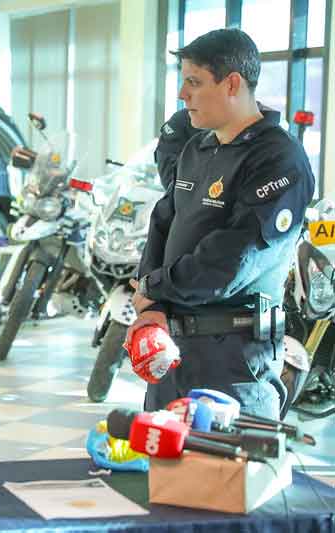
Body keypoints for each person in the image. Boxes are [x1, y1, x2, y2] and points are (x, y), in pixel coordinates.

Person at [125, 28, 315, 419]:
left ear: (232, 84)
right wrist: (152, 304)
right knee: (168, 474)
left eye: (194, 82)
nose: (183, 95)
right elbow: (165, 219)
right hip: (173, 350)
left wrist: (154, 287)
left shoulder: (279, 160)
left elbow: (230, 261)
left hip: (233, 361)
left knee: (227, 477)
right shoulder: (200, 146)